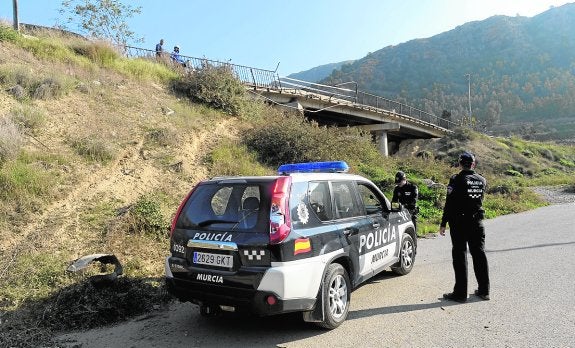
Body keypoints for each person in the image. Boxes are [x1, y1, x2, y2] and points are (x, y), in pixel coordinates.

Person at [439, 152, 490, 303]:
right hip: (477, 223)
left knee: (460, 256)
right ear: (473, 164)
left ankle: (460, 294)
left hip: (460, 223)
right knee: (479, 255)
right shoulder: (482, 180)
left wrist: (443, 223)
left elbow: (450, 203)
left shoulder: (456, 179)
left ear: (460, 164)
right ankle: (484, 291)